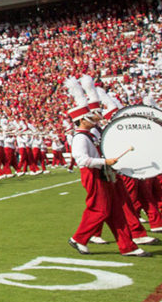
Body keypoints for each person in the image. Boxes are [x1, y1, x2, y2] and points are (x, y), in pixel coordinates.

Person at [63, 77, 151, 258]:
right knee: (100, 209)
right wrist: (105, 162)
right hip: (93, 175)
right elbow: (81, 159)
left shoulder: (89, 135)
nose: (95, 119)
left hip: (103, 173)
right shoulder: (80, 138)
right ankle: (79, 238)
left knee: (116, 211)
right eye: (90, 117)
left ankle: (128, 246)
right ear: (81, 120)